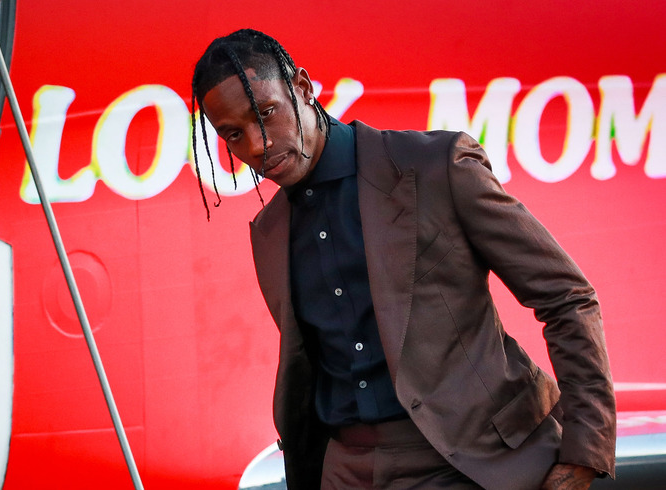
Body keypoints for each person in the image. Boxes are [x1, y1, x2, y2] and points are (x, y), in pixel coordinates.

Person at [190, 29, 616, 489]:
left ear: (303, 87)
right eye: (234, 134)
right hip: (346, 469)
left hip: (474, 461)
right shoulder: (269, 231)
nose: (257, 145)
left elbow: (566, 297)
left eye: (266, 114)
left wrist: (585, 450)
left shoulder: (436, 166)